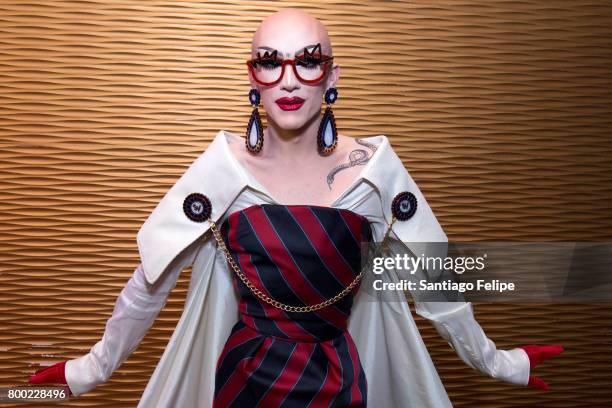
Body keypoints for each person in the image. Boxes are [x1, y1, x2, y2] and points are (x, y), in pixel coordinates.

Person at [28, 8, 563, 407]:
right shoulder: (220, 170)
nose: (288, 78)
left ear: (333, 76)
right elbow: (150, 282)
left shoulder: (374, 169)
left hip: (341, 383)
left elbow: (433, 280)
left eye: (308, 62)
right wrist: (87, 371)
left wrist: (500, 362)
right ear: (251, 78)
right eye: (270, 62)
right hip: (244, 383)